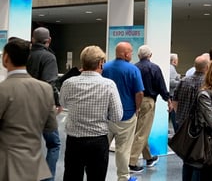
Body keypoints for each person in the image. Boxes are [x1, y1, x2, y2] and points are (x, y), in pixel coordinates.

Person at [60, 45, 123, 181]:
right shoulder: (109, 85)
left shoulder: (68, 83)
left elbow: (63, 104)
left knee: (72, 176)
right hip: (98, 140)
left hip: (74, 141)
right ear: (101, 63)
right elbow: (117, 116)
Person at [0, 38, 58, 181]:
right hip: (35, 165)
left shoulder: (3, 90)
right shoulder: (45, 89)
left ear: (6, 57)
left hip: (6, 166)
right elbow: (51, 126)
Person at [102, 42, 145, 181]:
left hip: (106, 115)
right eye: (130, 52)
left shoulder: (105, 67)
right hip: (126, 115)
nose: (131, 55)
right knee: (123, 150)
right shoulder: (132, 70)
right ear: (125, 54)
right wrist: (137, 108)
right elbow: (139, 93)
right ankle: (123, 177)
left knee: (102, 148)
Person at [26, 27, 61, 181]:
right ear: (49, 40)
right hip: (43, 107)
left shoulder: (25, 55)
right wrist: (57, 102)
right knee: (54, 144)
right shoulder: (49, 58)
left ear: (33, 39)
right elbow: (49, 83)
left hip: (25, 105)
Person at [129, 46, 170, 171]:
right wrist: (168, 99)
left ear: (138, 56)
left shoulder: (133, 68)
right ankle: (132, 161)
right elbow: (161, 86)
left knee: (140, 130)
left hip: (134, 102)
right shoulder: (154, 68)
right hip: (148, 102)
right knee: (142, 132)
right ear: (150, 55)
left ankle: (148, 158)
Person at [172, 54, 209, 181]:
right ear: (207, 67)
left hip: (183, 125)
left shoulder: (183, 81)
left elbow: (174, 101)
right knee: (198, 159)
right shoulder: (207, 83)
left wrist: (180, 117)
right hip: (199, 127)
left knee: (186, 157)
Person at [169, 53, 181, 132]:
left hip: (170, 95)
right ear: (174, 61)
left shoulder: (170, 68)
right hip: (172, 95)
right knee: (174, 117)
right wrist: (180, 82)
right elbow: (171, 82)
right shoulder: (172, 68)